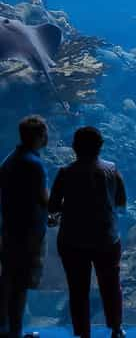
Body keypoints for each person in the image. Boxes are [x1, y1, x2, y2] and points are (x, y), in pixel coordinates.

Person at [48, 127, 127, 338]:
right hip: (107, 238)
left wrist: (72, 206)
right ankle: (117, 328)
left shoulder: (65, 172)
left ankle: (83, 333)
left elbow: (53, 206)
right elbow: (120, 201)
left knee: (78, 289)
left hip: (73, 240)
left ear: (75, 147)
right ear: (101, 146)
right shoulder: (112, 169)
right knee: (110, 286)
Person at [0, 115, 50, 338]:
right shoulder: (34, 163)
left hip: (10, 228)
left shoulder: (9, 160)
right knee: (20, 283)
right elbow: (43, 198)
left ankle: (5, 328)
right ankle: (16, 332)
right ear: (40, 135)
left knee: (8, 280)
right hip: (28, 233)